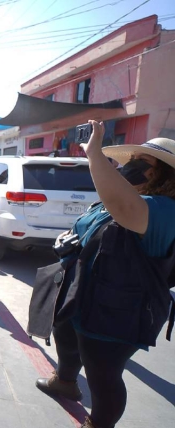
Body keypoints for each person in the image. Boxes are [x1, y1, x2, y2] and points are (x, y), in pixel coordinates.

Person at [34, 122, 175, 428]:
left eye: (142, 163)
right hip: (87, 293)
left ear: (163, 173)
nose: (130, 167)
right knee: (67, 335)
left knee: (103, 373)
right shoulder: (130, 197)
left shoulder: (165, 209)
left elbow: (122, 205)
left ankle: (99, 423)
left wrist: (93, 152)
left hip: (120, 311)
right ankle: (66, 381)